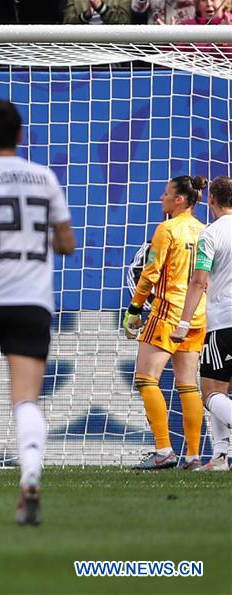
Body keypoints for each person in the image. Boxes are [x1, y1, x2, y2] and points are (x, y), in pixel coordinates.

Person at [0, 98, 75, 525]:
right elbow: (67, 242)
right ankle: (32, 476)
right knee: (26, 399)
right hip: (31, 303)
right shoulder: (45, 177)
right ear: (21, 135)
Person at [123, 176, 209, 471]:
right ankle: (194, 457)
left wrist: (134, 309)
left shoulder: (167, 229)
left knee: (146, 378)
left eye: (166, 194)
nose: (161, 198)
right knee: (187, 385)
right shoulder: (204, 231)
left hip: (167, 313)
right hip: (196, 315)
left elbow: (150, 273)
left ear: (180, 200)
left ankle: (163, 450)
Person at [170, 176, 232, 471]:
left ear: (211, 201)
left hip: (224, 322)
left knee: (212, 392)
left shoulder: (210, 235)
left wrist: (184, 322)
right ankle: (221, 456)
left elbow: (199, 281)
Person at [63, 0, 133, 23]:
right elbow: (67, 21)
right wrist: (84, 16)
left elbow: (124, 20)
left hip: (113, 45)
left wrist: (101, 8)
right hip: (83, 44)